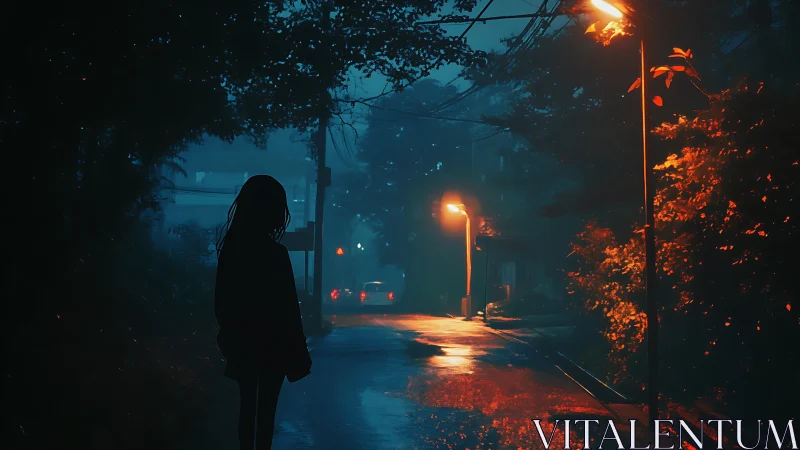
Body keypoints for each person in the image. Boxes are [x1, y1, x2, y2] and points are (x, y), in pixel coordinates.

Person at [214, 175, 312, 450]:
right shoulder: (276, 255)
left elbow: (222, 302)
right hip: (274, 348)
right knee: (265, 414)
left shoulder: (233, 252)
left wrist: (230, 338)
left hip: (243, 345)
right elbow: (290, 311)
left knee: (247, 409)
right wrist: (298, 351)